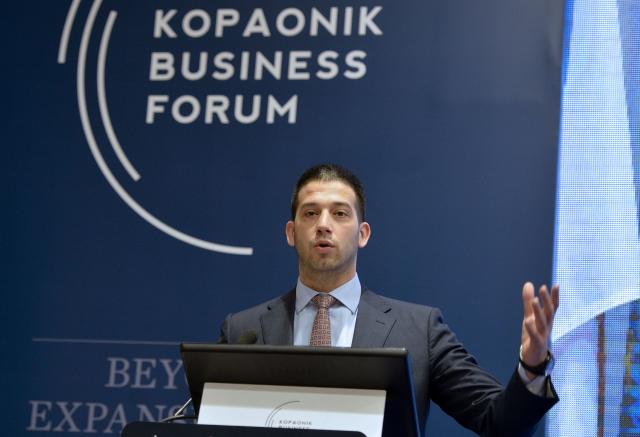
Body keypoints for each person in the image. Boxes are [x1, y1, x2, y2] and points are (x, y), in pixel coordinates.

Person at [219, 163, 559, 436]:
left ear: (363, 234)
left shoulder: (419, 331)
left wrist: (531, 367)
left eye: (340, 213)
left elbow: (498, 423)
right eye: (310, 213)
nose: (323, 224)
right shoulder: (243, 331)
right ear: (291, 233)